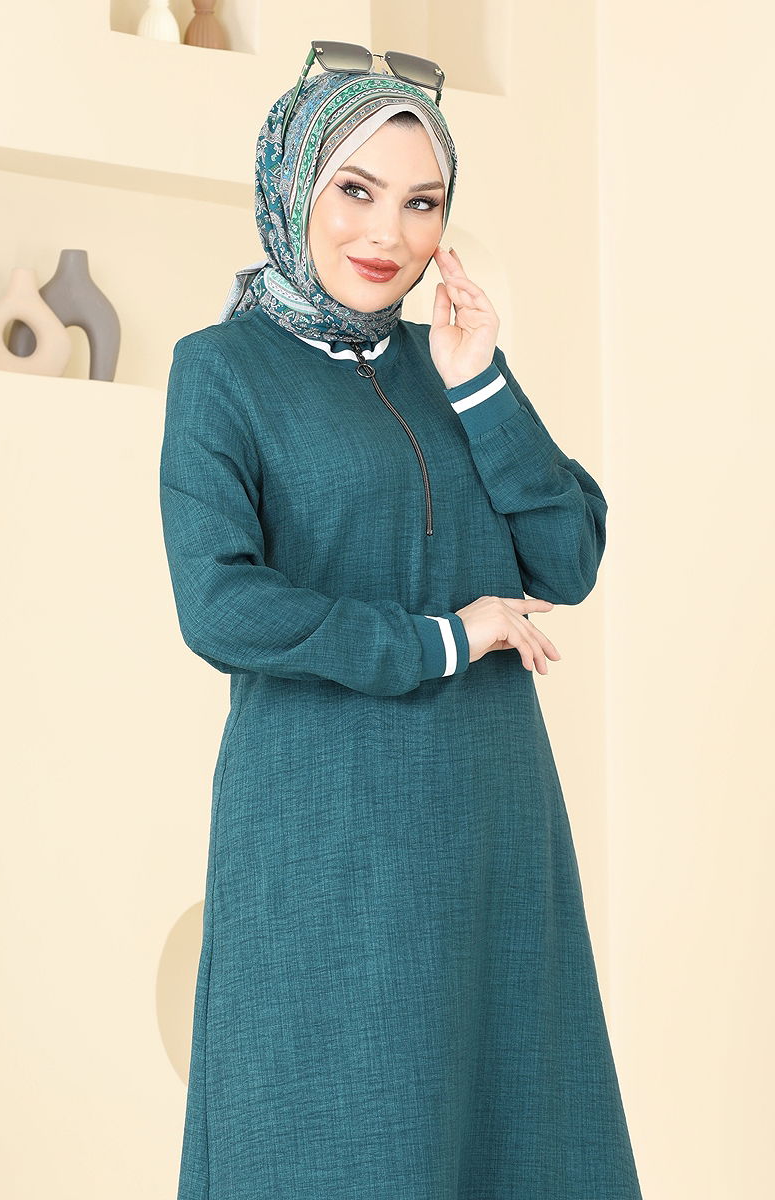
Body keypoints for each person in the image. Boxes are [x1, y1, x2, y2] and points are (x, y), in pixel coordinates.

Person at [159, 61, 644, 1200]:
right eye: (355, 190)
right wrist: (441, 639)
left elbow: (566, 557)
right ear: (292, 186)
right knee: (336, 1134)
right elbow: (220, 603)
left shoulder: (451, 366)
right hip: (327, 823)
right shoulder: (222, 371)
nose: (387, 233)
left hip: (490, 824)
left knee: (514, 1133)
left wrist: (480, 385)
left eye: (421, 202)